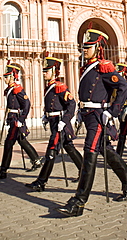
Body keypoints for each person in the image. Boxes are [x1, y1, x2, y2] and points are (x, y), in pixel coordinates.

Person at [58, 28, 127, 217]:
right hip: (88, 115)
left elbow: (123, 87)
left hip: (98, 117)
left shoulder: (104, 68)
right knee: (107, 152)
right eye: (84, 47)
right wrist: (80, 111)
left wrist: (113, 111)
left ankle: (78, 202)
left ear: (98, 47)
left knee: (90, 152)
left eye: (89, 47)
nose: (84, 50)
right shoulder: (87, 68)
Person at [25, 57, 83, 191]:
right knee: (69, 148)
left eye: (47, 71)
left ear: (54, 71)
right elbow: (52, 105)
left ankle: (41, 181)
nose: (44, 73)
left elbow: (71, 103)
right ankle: (84, 171)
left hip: (60, 125)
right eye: (44, 71)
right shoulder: (49, 87)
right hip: (54, 123)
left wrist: (65, 120)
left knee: (51, 151)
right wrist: (46, 115)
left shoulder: (59, 87)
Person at [0, 64, 42, 179]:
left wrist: (22, 119)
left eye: (7, 77)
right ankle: (36, 160)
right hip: (12, 118)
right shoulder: (10, 89)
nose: (5, 79)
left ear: (13, 76)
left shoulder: (17, 89)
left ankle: (3, 170)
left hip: (16, 120)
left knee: (8, 144)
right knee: (22, 141)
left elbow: (26, 104)